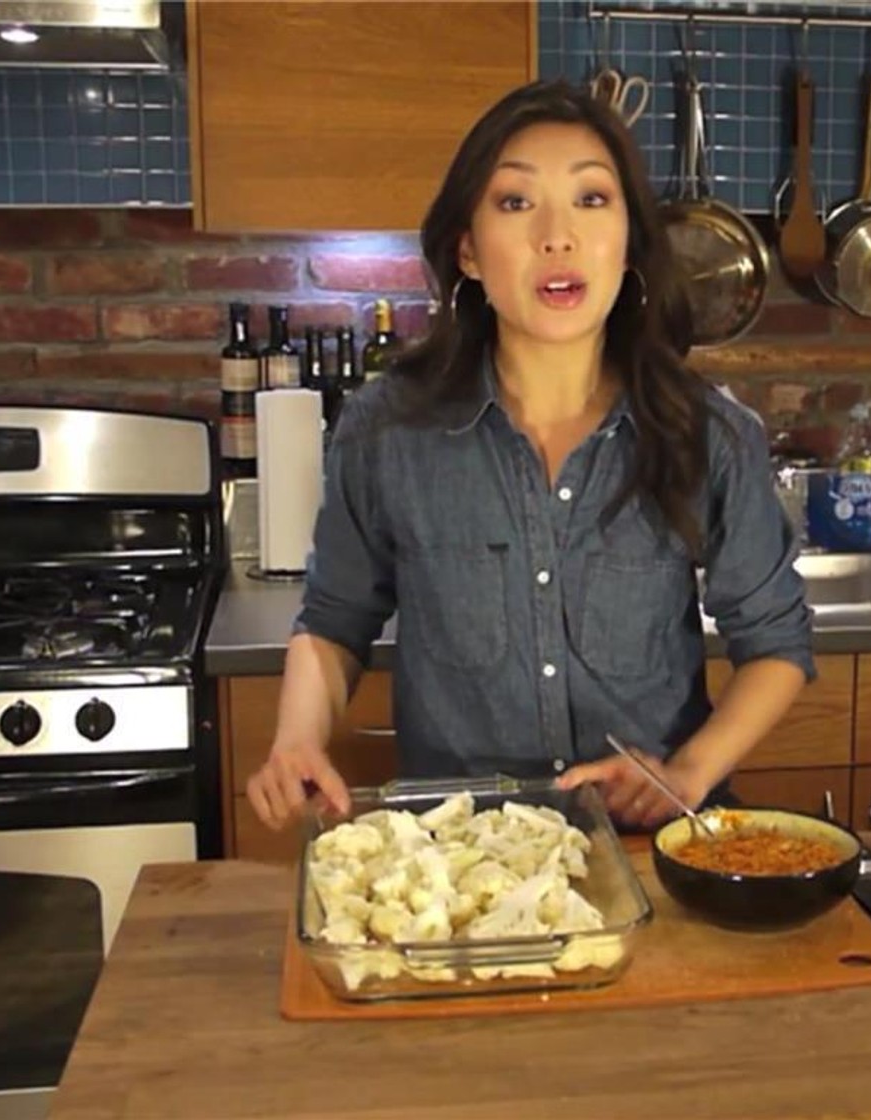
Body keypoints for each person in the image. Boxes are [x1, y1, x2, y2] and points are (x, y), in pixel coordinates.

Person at [245, 80, 812, 833]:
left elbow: (775, 644)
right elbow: (334, 621)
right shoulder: (388, 430)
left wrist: (685, 773)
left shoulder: (708, 434)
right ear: (469, 251)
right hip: (462, 856)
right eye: (515, 203)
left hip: (650, 843)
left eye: (591, 200)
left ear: (630, 245)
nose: (557, 235)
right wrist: (296, 739)